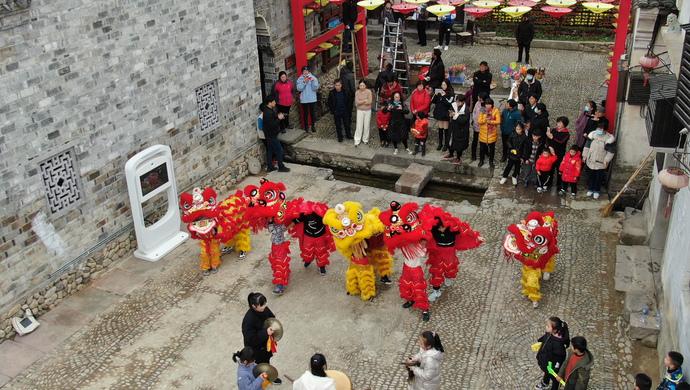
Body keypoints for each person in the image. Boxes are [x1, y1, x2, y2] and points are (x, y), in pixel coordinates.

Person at [242, 292, 282, 384]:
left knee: (266, 361)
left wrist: (273, 326)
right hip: (256, 349)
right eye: (262, 305)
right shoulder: (248, 320)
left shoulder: (264, 308)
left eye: (265, 303)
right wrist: (265, 332)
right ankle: (259, 380)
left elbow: (271, 317)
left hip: (265, 344)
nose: (265, 306)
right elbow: (251, 339)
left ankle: (268, 375)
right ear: (254, 306)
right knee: (259, 365)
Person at [535, 317, 571, 390]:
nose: (546, 327)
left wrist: (555, 369)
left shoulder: (559, 346)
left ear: (555, 330)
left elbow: (560, 359)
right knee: (546, 372)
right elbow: (545, 339)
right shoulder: (550, 333)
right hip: (546, 362)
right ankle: (545, 383)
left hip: (553, 367)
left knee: (555, 379)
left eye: (548, 326)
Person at [582, 121, 615, 199]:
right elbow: (587, 146)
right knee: (590, 176)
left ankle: (596, 190)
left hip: (600, 161)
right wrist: (584, 156)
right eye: (598, 128)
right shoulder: (592, 135)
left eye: (601, 128)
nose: (599, 129)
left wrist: (606, 160)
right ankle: (590, 189)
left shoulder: (609, 139)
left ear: (605, 130)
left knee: (598, 177)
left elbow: (611, 151)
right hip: (591, 160)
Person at [262, 95, 290, 173]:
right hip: (271, 134)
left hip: (269, 134)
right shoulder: (268, 112)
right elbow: (272, 124)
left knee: (270, 150)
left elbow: (272, 119)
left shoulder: (268, 110)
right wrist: (279, 118)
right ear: (269, 103)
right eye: (274, 101)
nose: (275, 102)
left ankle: (270, 167)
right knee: (279, 150)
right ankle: (281, 166)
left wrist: (279, 116)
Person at [444, 95, 470, 165]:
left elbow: (463, 120)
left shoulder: (466, 109)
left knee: (459, 144)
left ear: (463, 102)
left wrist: (455, 115)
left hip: (461, 130)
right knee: (450, 140)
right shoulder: (454, 105)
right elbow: (448, 112)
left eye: (459, 102)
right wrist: (449, 114)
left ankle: (458, 158)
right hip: (452, 127)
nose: (457, 103)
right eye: (456, 101)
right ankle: (451, 154)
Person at [546, 116, 570, 186]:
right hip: (551, 152)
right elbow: (548, 140)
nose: (558, 124)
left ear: (564, 124)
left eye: (560, 123)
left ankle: (559, 185)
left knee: (559, 170)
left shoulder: (566, 133)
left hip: (559, 154)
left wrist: (552, 137)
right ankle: (548, 183)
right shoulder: (554, 130)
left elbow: (561, 141)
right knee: (550, 169)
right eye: (558, 122)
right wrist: (549, 146)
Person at [477, 97, 501, 169]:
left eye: (489, 104)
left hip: (492, 133)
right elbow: (479, 121)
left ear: (492, 104)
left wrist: (490, 121)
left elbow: (498, 121)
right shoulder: (482, 110)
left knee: (492, 149)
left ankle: (491, 161)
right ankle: (481, 160)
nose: (488, 106)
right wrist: (485, 120)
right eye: (486, 104)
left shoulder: (495, 110)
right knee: (482, 149)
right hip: (483, 133)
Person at [432, 79, 454, 151]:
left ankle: (446, 144)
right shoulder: (439, 92)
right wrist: (435, 94)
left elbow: (449, 103)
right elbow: (433, 101)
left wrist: (444, 95)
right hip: (439, 112)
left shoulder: (451, 93)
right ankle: (440, 143)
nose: (443, 86)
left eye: (444, 85)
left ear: (447, 85)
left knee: (446, 129)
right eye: (442, 85)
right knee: (440, 128)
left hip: (445, 113)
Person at [296, 66, 320, 133]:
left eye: (307, 71)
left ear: (309, 71)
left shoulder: (313, 77)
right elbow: (299, 88)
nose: (305, 72)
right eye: (304, 71)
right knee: (305, 114)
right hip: (304, 100)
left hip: (312, 99)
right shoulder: (300, 79)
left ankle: (313, 126)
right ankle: (306, 127)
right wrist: (304, 82)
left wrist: (313, 81)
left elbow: (315, 88)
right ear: (302, 72)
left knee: (313, 113)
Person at [354, 80, 373, 146]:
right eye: (360, 85)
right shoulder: (357, 92)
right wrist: (365, 100)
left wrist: (361, 102)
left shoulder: (369, 92)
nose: (361, 87)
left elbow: (370, 102)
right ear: (359, 86)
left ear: (365, 86)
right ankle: (357, 139)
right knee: (359, 125)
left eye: (363, 85)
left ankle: (365, 139)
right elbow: (356, 102)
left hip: (367, 111)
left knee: (366, 125)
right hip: (359, 110)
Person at [471, 92, 488, 161]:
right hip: (476, 126)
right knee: (475, 140)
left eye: (479, 98)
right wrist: (474, 120)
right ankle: (473, 154)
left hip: (483, 127)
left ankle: (485, 152)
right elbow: (474, 112)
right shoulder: (477, 103)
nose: (478, 98)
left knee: (483, 141)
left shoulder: (486, 106)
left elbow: (485, 117)